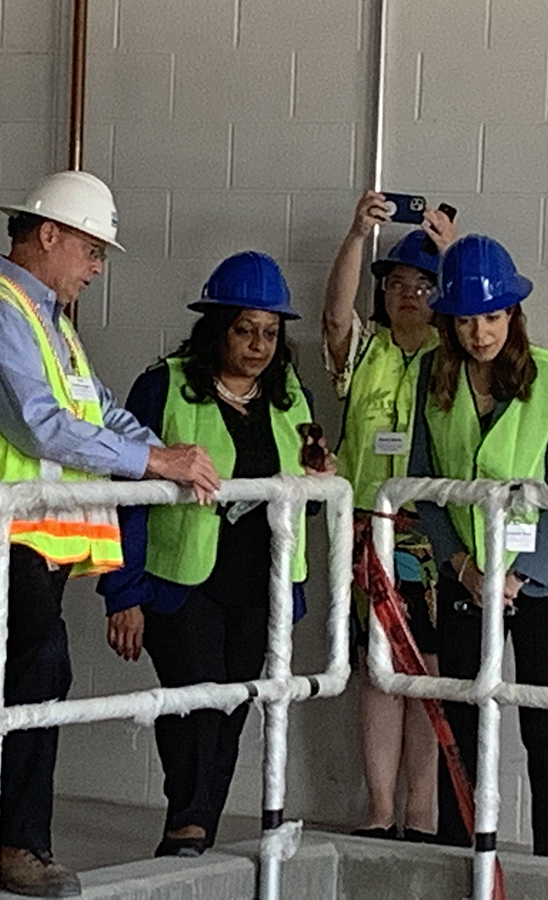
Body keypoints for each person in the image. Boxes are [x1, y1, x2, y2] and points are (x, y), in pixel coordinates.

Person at [0, 169, 219, 898]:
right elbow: (39, 424)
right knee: (39, 663)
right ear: (47, 235)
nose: (95, 269)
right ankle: (10, 846)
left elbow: (100, 413)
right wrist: (152, 460)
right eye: (92, 251)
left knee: (15, 678)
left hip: (34, 537)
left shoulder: (48, 320)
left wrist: (163, 456)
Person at [99, 251, 335, 858]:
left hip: (262, 587)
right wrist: (122, 594)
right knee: (192, 701)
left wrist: (316, 480)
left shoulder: (291, 398)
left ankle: (194, 829)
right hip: (180, 582)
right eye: (244, 329)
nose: (258, 345)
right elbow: (125, 495)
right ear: (216, 327)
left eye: (270, 333)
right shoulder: (164, 385)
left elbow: (304, 509)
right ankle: (187, 827)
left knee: (233, 705)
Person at [407, 234, 548, 859]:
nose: (480, 333)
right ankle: (460, 858)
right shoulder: (430, 375)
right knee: (462, 721)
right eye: (465, 320)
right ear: (448, 322)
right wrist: (461, 568)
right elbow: (424, 489)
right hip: (465, 574)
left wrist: (516, 576)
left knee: (546, 722)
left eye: (492, 316)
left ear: (513, 315)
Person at [322, 191, 455, 841]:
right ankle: (379, 810)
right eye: (398, 283)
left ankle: (422, 810)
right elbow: (334, 314)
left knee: (426, 671)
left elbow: (499, 325)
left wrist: (452, 252)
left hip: (434, 538)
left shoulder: (455, 353)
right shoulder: (366, 348)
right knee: (377, 672)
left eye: (424, 284)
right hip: (368, 533)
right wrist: (355, 236)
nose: (408, 294)